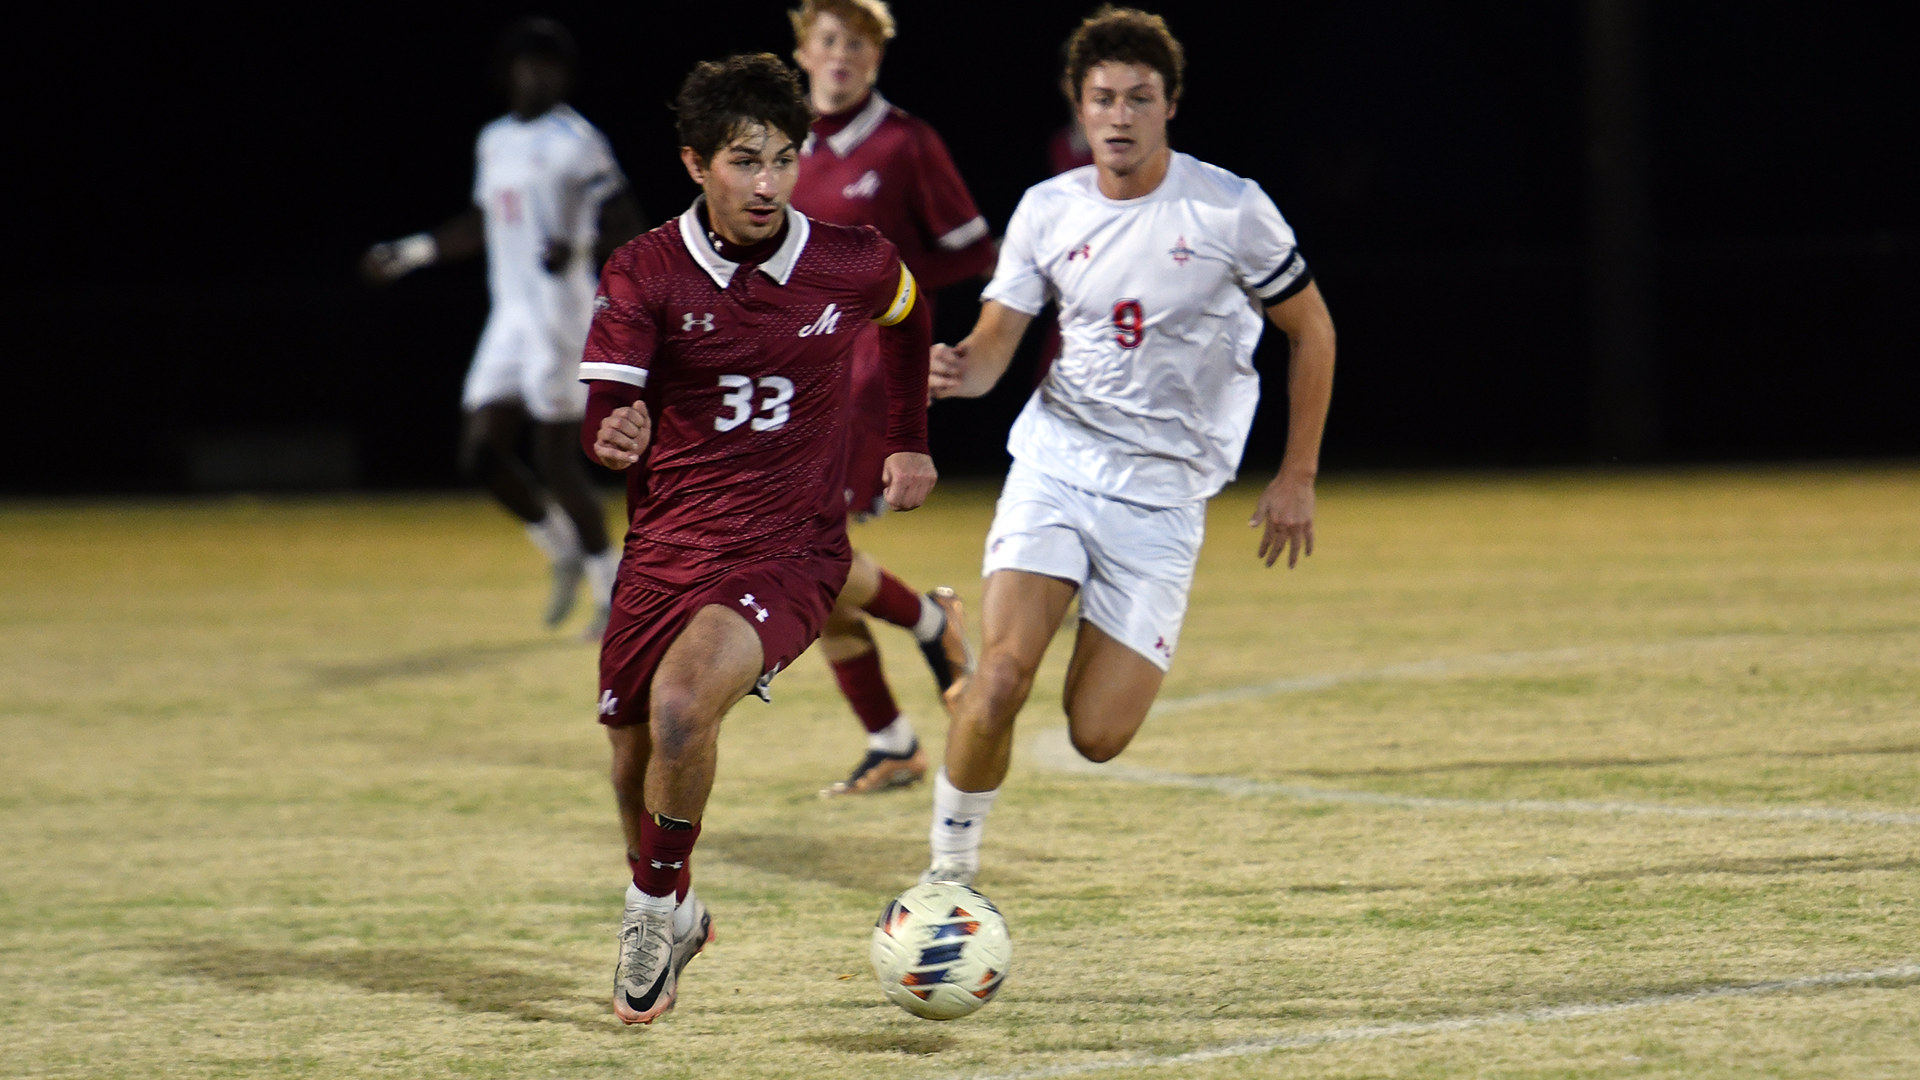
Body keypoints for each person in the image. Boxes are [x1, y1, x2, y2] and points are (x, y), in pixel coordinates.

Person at [918, 7, 1337, 886]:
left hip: (1165, 498)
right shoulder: (1047, 211)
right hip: (1060, 464)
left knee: (1097, 736)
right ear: (1078, 106)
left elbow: (1315, 331)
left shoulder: (1230, 209)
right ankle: (946, 887)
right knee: (1002, 685)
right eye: (1102, 98)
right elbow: (997, 346)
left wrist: (1296, 474)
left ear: (1170, 106)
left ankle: (972, 664)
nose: (1118, 116)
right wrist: (958, 370)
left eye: (1138, 99)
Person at [579, 53, 936, 1024]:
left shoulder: (851, 259)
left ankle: (649, 912)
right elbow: (607, 400)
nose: (768, 183)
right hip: (666, 548)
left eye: (783, 159)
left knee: (687, 708)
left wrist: (907, 439)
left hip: (791, 547)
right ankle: (677, 905)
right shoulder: (645, 269)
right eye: (745, 161)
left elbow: (908, 316)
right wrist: (613, 433)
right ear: (697, 163)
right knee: (630, 748)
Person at [362, 19, 646, 634]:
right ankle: (561, 548)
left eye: (549, 65)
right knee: (480, 454)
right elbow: (480, 220)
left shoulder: (579, 140)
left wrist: (576, 247)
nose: (537, 75)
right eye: (527, 64)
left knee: (556, 460)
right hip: (510, 318)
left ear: (563, 75)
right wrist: (411, 252)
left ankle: (610, 586)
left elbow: (627, 221)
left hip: (561, 314)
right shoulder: (494, 140)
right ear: (508, 72)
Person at [787, 0, 994, 797]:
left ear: (877, 57)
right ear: (804, 51)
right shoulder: (784, 146)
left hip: (873, 369)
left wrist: (886, 289)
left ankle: (933, 628)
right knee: (810, 560)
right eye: (829, 40)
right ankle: (893, 738)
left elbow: (973, 249)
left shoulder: (906, 141)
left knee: (806, 548)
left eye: (859, 43)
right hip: (800, 371)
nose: (842, 55)